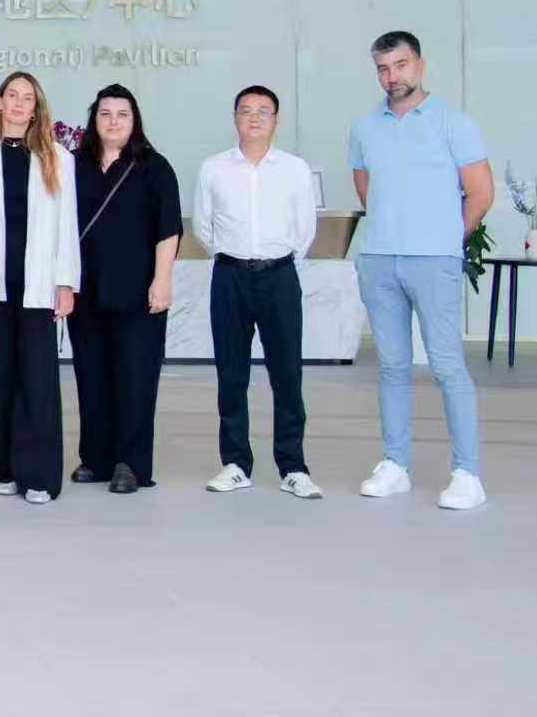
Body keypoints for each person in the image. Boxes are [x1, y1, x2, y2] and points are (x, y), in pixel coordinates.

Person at [349, 30, 492, 510]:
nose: (392, 76)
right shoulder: (364, 127)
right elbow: (367, 189)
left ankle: (467, 474)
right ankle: (395, 465)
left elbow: (481, 193)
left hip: (434, 260)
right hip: (379, 260)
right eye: (383, 68)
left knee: (447, 365)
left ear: (420, 66)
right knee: (391, 366)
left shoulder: (454, 122)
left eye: (401, 65)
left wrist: (446, 238)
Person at [194, 85, 322, 501]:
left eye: (263, 111)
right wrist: (232, 258)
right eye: (246, 110)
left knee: (287, 374)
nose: (254, 117)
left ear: (275, 120)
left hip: (279, 276)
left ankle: (293, 466)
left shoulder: (295, 169)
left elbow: (305, 229)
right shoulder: (213, 168)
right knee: (231, 374)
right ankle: (235, 463)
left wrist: (276, 260)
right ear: (235, 119)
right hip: (229, 276)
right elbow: (204, 226)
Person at [0, 71, 80, 505]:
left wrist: (66, 282)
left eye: (27, 98)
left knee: (38, 380)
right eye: (11, 95)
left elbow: (67, 225)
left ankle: (39, 476)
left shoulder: (58, 158)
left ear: (36, 109)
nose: (18, 103)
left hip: (39, 286)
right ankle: (4, 469)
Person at [69, 84, 181, 494]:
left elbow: (168, 229)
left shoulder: (154, 167)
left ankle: (130, 464)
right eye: (105, 114)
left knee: (135, 377)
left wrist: (162, 280)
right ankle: (95, 458)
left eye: (122, 114)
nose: (113, 121)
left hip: (138, 293)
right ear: (93, 119)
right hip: (86, 293)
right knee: (91, 376)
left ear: (135, 121)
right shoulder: (74, 166)